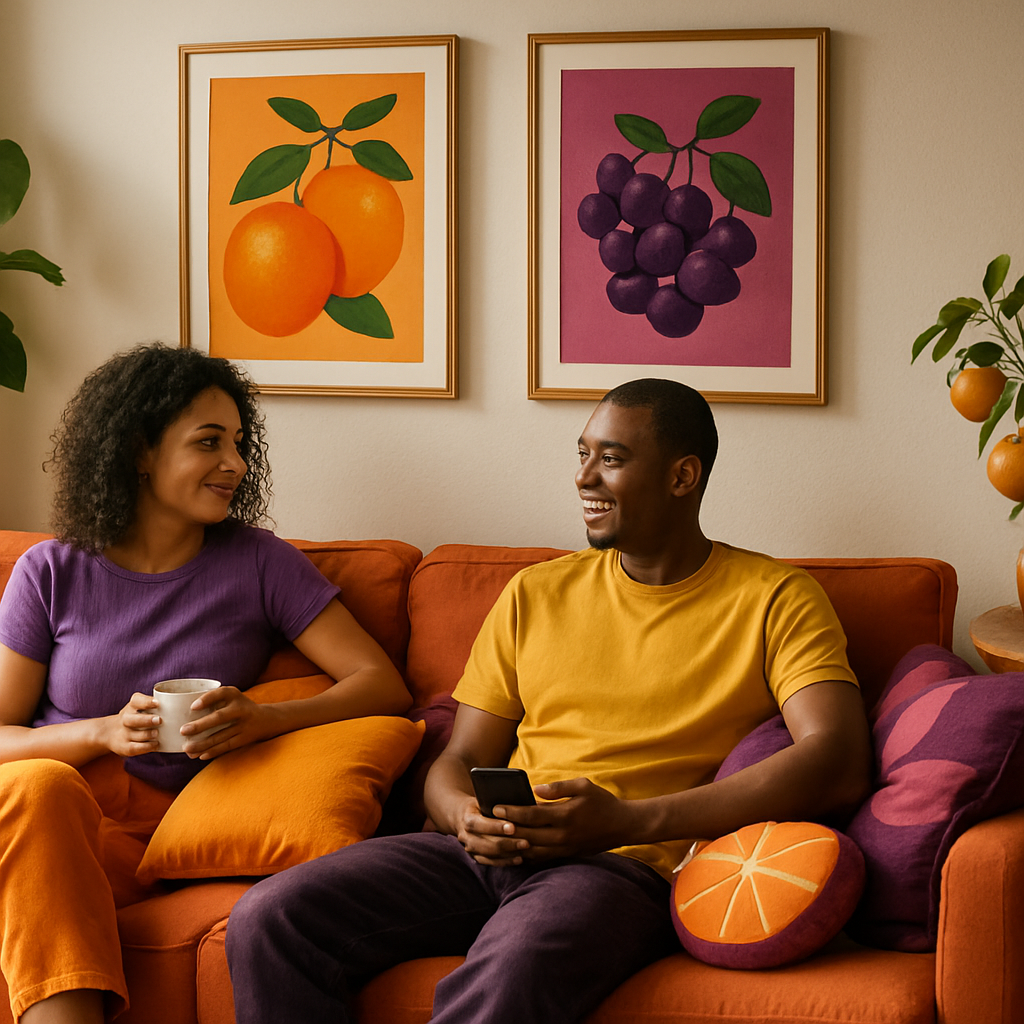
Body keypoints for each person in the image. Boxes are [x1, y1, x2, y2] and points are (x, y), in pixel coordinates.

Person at [225, 377, 873, 1024]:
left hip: (620, 868)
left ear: (682, 476)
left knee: (512, 970)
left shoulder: (775, 598)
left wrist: (626, 822)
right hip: (487, 850)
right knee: (270, 918)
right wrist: (462, 816)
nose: (584, 477)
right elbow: (462, 758)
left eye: (611, 459)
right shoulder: (536, 594)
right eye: (582, 453)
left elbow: (837, 759)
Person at [0, 343, 412, 1024]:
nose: (237, 464)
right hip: (37, 816)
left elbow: (381, 685)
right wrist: (101, 733)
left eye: (240, 443)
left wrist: (263, 719)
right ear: (138, 450)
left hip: (150, 844)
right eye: (209, 442)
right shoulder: (50, 571)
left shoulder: (258, 564)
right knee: (40, 786)